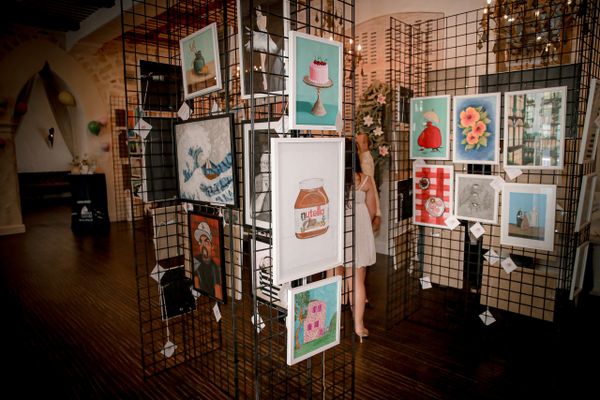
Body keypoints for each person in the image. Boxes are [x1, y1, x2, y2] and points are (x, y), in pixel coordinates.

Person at [332, 138, 377, 342]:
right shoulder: (365, 180)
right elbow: (372, 211)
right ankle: (358, 326)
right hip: (359, 231)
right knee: (357, 281)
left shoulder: (333, 178)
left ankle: (334, 322)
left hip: (337, 231)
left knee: (334, 276)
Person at [243, 4, 285, 94]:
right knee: (263, 62)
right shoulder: (258, 19)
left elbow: (263, 28)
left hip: (264, 37)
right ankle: (265, 81)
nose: (257, 12)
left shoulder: (263, 18)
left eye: (258, 10)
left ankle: (280, 68)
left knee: (274, 54)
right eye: (256, 11)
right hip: (261, 38)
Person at [192, 221, 223, 300]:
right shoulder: (196, 260)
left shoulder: (215, 268)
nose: (203, 245)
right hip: (201, 299)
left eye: (206, 241)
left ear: (212, 246)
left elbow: (218, 294)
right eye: (200, 242)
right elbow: (196, 283)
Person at [253, 150, 270, 223]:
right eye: (261, 162)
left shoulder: (279, 179)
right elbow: (253, 211)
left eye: (266, 162)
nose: (263, 165)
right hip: (261, 222)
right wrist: (263, 192)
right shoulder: (257, 179)